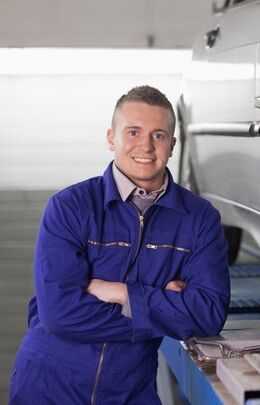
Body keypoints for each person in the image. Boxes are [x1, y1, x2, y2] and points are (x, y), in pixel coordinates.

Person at [9, 85, 230, 404]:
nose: (146, 146)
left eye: (158, 135)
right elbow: (58, 314)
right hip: (47, 383)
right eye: (134, 132)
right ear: (111, 138)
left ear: (172, 144)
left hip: (131, 390)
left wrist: (121, 293)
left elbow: (208, 314)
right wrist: (160, 312)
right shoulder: (70, 207)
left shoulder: (198, 218)